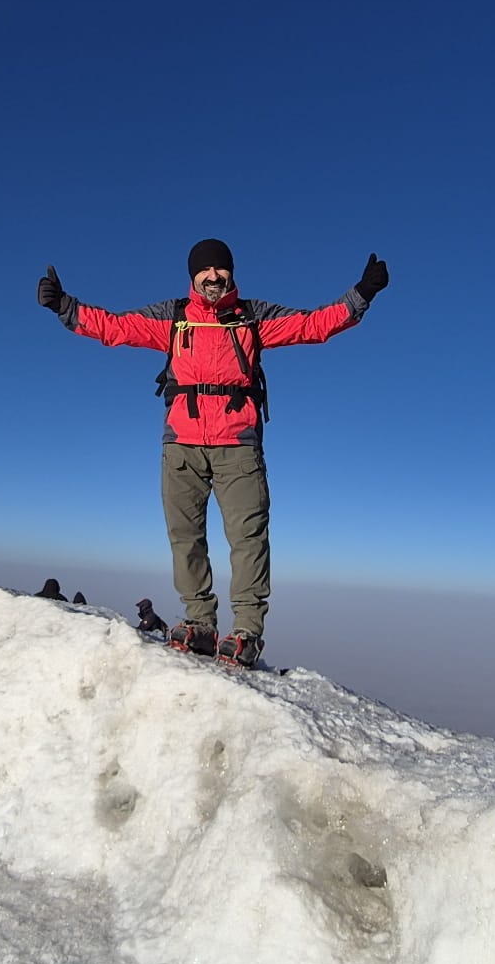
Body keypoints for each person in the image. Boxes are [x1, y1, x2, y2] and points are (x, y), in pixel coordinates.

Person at [37, 239, 387, 668]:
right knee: (185, 537)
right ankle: (200, 621)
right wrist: (65, 307)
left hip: (237, 445)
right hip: (182, 445)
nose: (213, 277)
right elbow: (115, 327)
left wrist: (361, 295)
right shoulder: (174, 317)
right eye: (205, 271)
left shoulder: (252, 317)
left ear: (231, 274)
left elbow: (312, 325)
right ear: (193, 276)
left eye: (220, 270)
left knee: (248, 539)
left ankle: (246, 632)